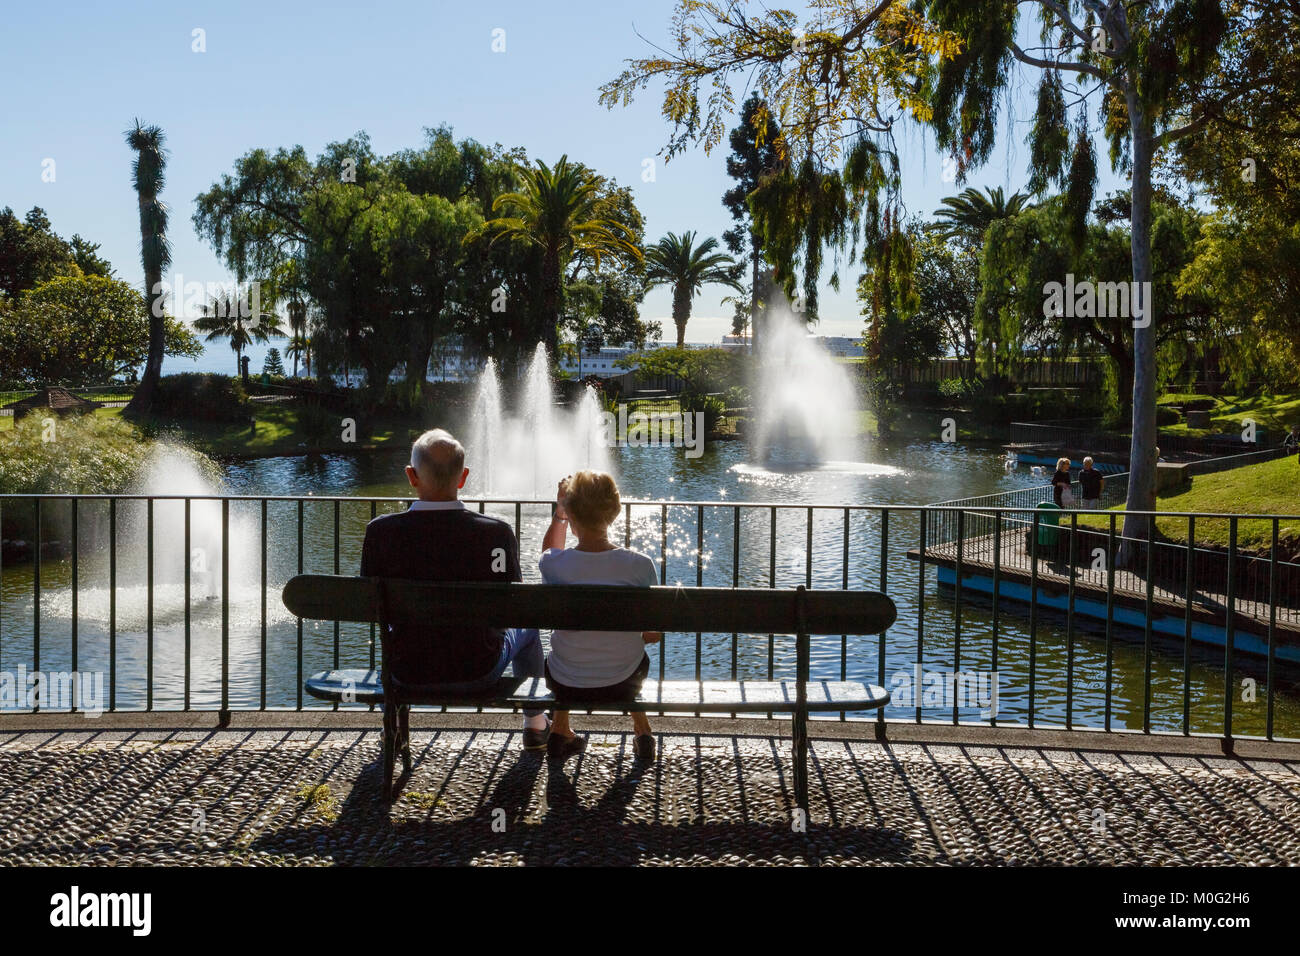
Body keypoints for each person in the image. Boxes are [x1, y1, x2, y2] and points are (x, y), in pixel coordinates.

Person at [359, 429, 549, 750]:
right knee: (528, 626)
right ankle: (535, 724)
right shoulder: (497, 534)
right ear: (463, 478)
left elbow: (369, 605)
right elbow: (512, 607)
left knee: (393, 631)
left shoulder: (381, 533)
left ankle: (391, 726)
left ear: (411, 476)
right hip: (479, 669)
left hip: (406, 671)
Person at [539, 470, 661, 763]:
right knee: (631, 656)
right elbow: (653, 635)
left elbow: (549, 552)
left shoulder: (554, 565)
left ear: (570, 512)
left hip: (565, 681)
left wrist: (559, 514)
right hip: (623, 680)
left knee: (568, 654)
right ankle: (642, 731)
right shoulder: (640, 566)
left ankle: (559, 729)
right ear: (615, 512)